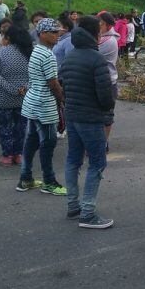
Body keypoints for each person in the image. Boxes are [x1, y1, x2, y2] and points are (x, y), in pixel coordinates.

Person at [60, 15, 116, 228]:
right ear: (96, 34)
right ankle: (88, 212)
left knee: (73, 160)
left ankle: (73, 205)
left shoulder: (70, 55)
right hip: (91, 119)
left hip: (72, 115)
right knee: (97, 163)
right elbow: (105, 96)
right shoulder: (96, 59)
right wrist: (107, 107)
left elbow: (63, 85)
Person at [17, 18, 67, 195]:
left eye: (58, 31)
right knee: (48, 144)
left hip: (32, 102)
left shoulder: (37, 50)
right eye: (54, 32)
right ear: (43, 34)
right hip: (44, 105)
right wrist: (62, 100)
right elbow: (53, 83)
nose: (58, 35)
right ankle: (49, 181)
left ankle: (26, 178)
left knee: (31, 141)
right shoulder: (48, 55)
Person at [0, 25, 32, 167]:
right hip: (23, 97)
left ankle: (7, 155)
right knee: (21, 127)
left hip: (1, 98)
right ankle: (19, 155)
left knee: (5, 127)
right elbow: (35, 74)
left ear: (8, 38)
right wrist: (23, 88)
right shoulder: (30, 53)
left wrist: (11, 89)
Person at [97, 11, 120, 151]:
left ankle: (103, 143)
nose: (97, 26)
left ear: (106, 25)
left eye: (99, 23)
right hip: (101, 80)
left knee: (106, 115)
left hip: (107, 82)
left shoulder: (108, 41)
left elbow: (91, 52)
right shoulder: (103, 37)